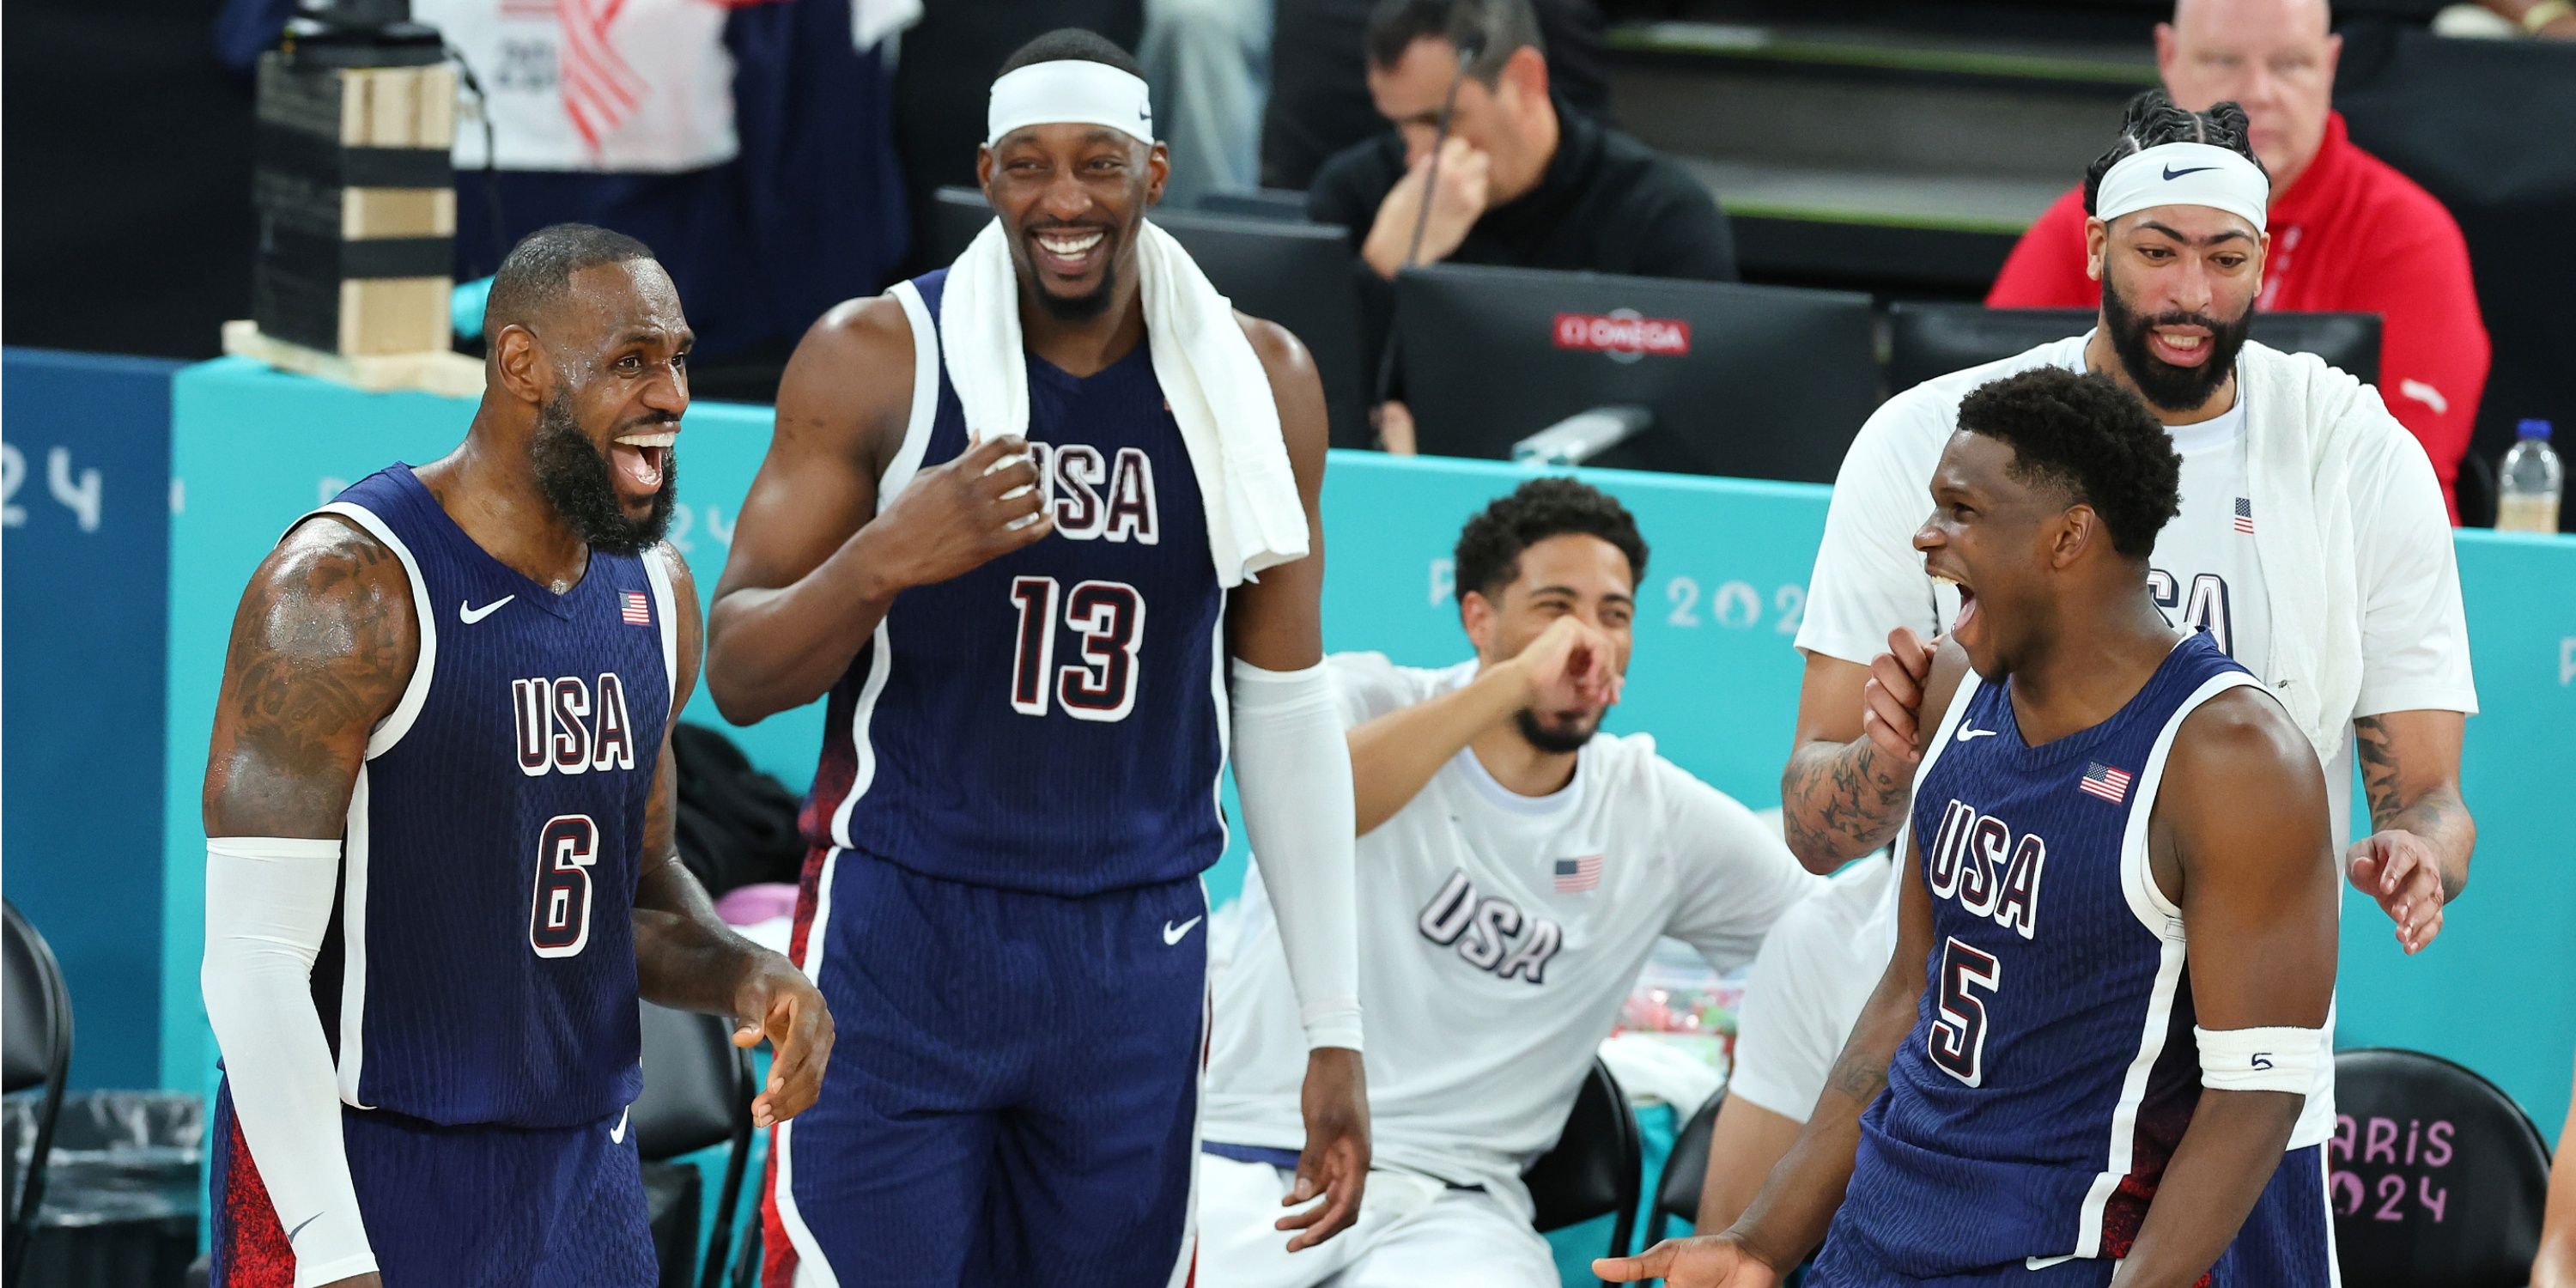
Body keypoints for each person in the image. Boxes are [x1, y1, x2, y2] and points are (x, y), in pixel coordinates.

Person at [706, 30, 1371, 1285]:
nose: (1065, 200)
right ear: (987, 176)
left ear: (1156, 172)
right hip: (905, 931)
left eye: (1099, 165)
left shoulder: (1261, 380)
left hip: (1133, 956)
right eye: (1029, 166)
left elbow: (1282, 709)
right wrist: (886, 559)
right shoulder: (876, 357)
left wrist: (1332, 1030)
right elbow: (739, 673)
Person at [1766, 98, 2474, 1193]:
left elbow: (2427, 794)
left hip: (2240, 1098)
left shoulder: (2354, 457)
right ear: (2095, 243)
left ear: (2265, 261)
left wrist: (2420, 849)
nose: (2192, 294)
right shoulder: (1934, 441)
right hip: (1975, 1088)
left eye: (2226, 257)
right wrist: (1890, 758)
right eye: (2157, 252)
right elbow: (1815, 831)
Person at [1607, 366, 2345, 1286]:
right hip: (1876, 1241)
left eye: (1959, 510)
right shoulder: (1957, 687)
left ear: (2067, 537)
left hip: (2060, 1254)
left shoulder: (2233, 756)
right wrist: (1764, 1239)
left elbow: (2257, 1094)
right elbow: (1905, 994)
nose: (1927, 536)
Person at [200, 223, 833, 1288]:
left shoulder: (655, 595)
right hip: (367, 1164)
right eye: (631, 360)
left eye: (677, 357)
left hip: (580, 1174)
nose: (672, 393)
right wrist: (331, 1249)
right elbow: (252, 968)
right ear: (523, 365)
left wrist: (744, 970)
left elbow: (631, 895)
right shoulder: (344, 591)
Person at [1197, 478, 1819, 1286]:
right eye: (1555, 608)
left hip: (1452, 1210)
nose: (1587, 639)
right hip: (1247, 1159)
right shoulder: (1366, 695)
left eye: (1615, 614)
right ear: (1478, 619)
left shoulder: (1653, 814)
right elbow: (1307, 807)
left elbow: (1828, 936)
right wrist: (1513, 683)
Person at [1987, 0, 2490, 521]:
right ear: (2169, 56)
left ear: (2331, 65)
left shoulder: (2407, 236)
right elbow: (1993, 443)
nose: (2256, 94)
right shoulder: (2099, 220)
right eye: (2224, 61)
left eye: (2290, 64)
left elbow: (2402, 489)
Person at [1305, 0, 1735, 451]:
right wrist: (1380, 270)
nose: (1416, 156)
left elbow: (1704, 422)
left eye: (1439, 121)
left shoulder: (1658, 213)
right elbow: (1299, 402)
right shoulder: (1354, 194)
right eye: (1399, 125)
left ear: (1526, 80)